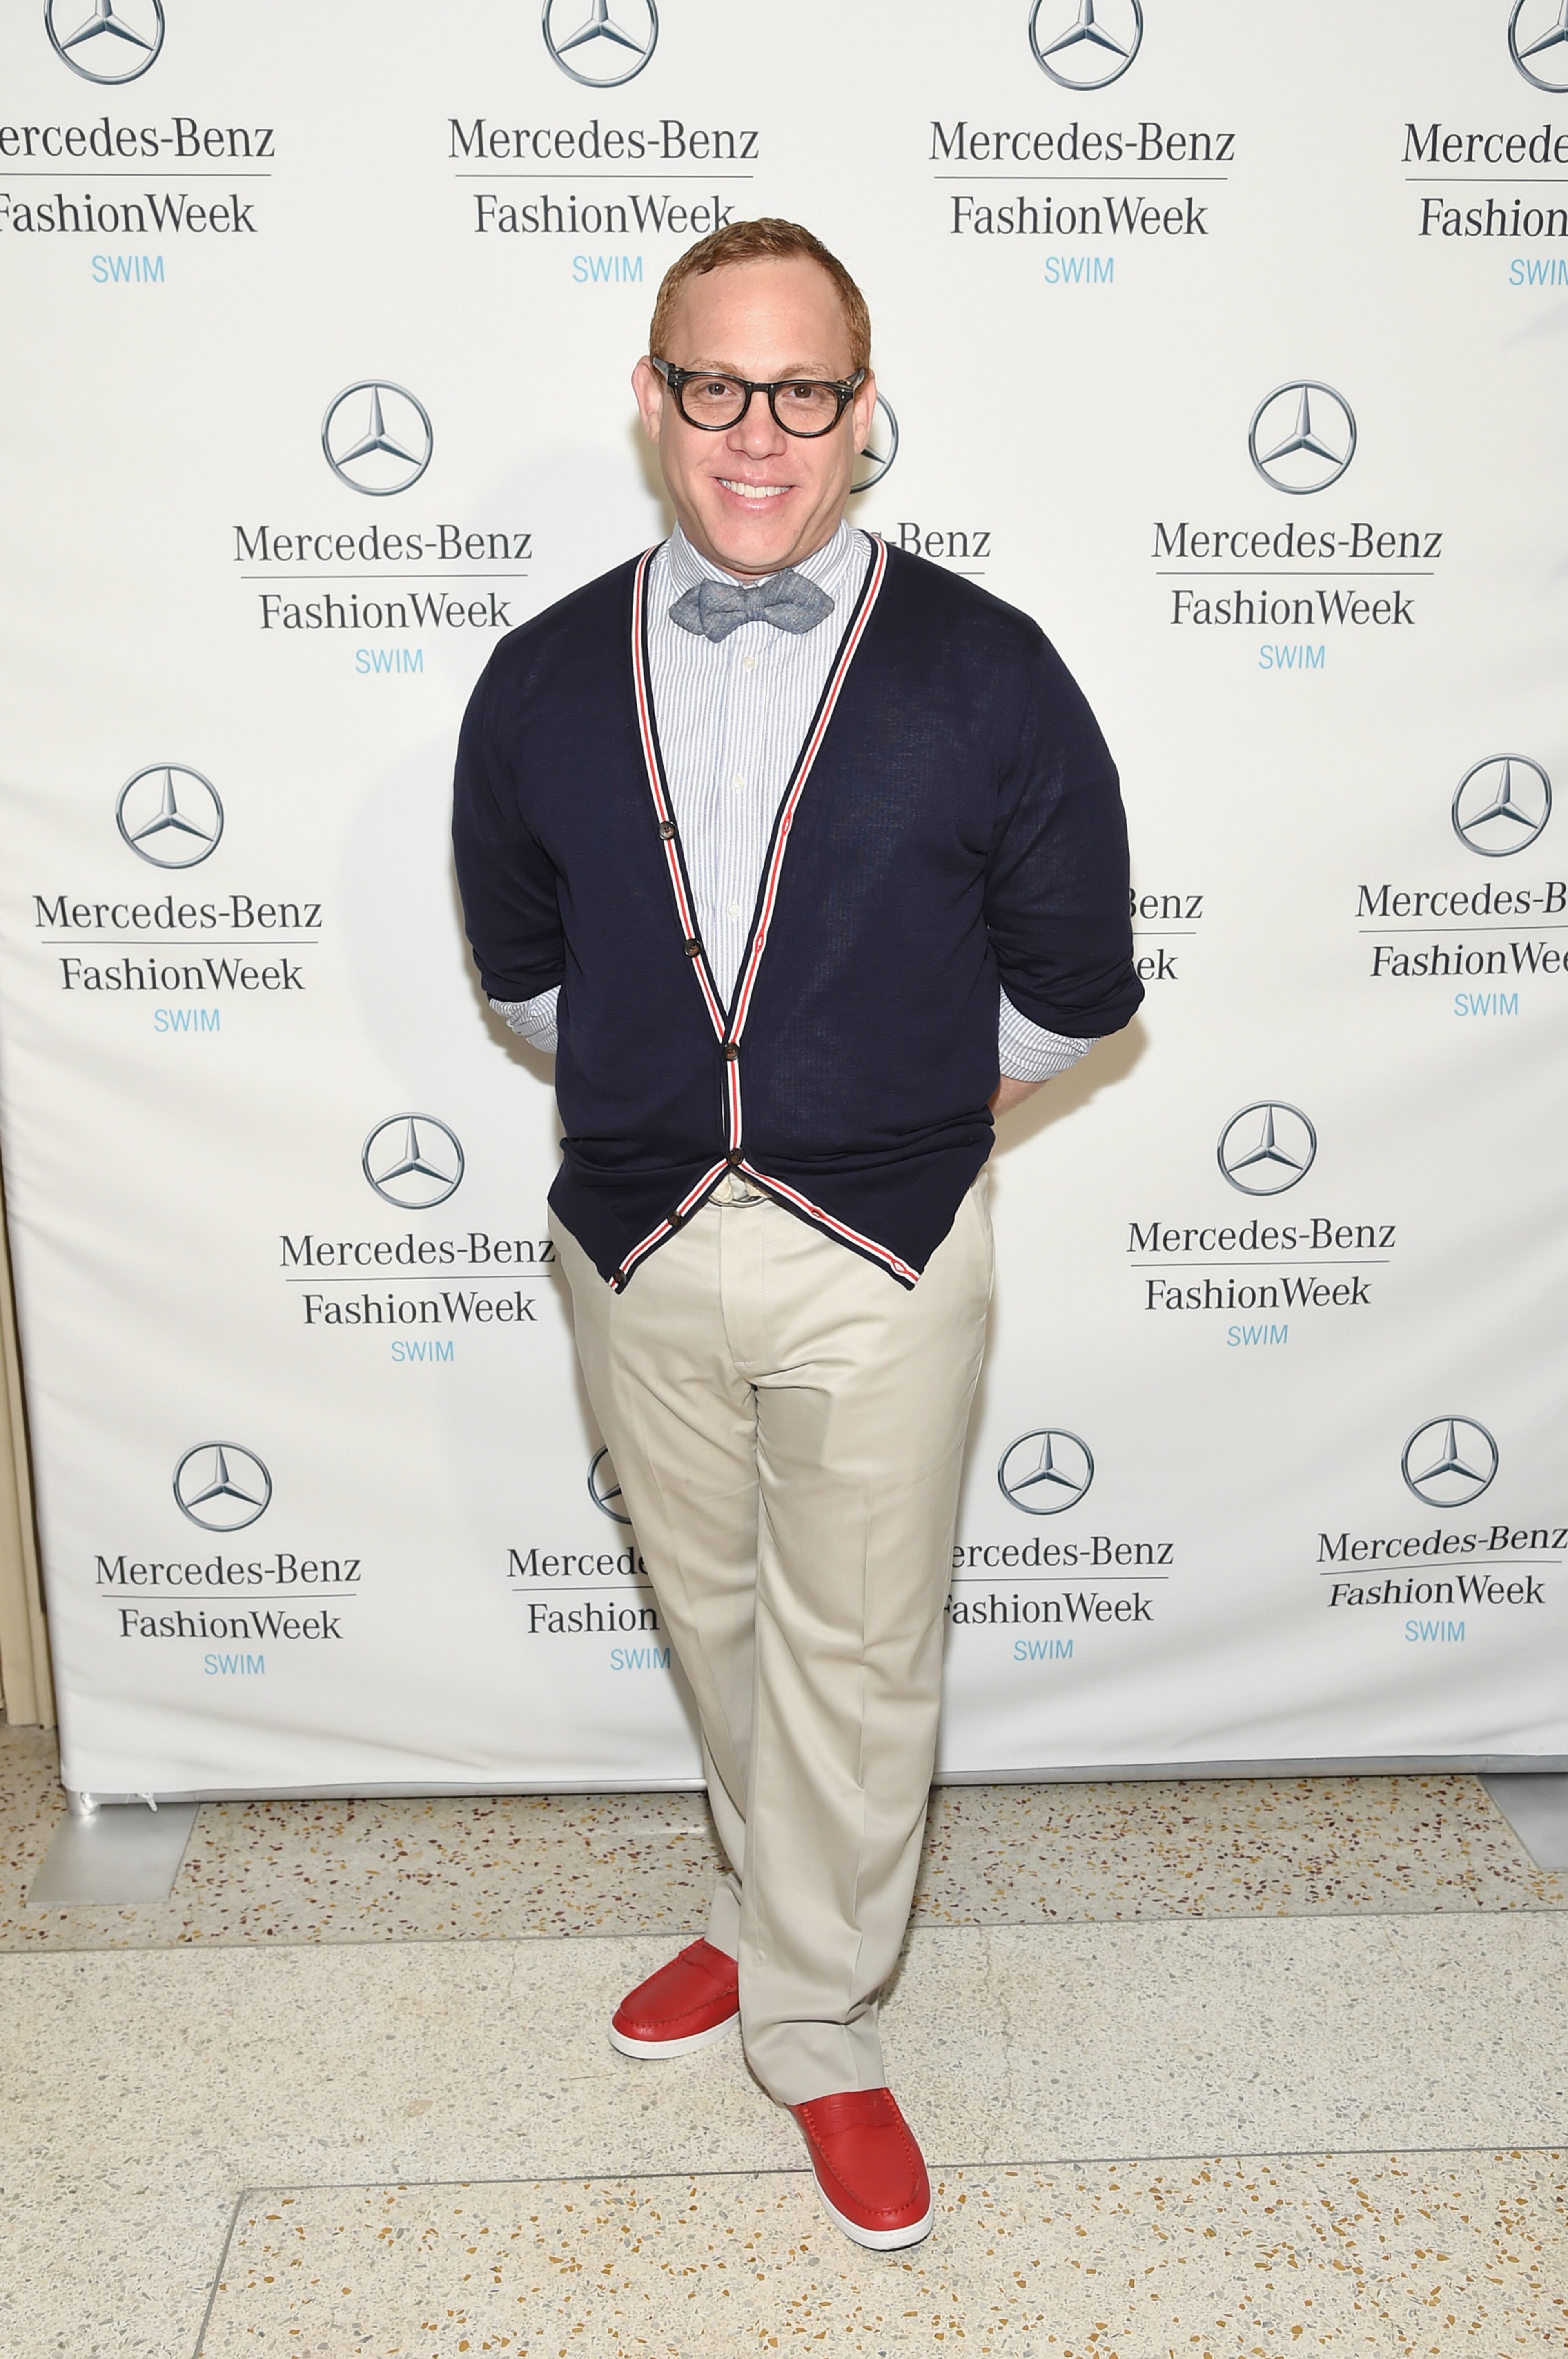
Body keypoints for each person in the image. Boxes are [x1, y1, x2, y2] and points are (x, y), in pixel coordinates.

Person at [452, 217, 1142, 2250]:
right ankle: (771, 1907)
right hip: (637, 1235)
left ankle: (820, 2018)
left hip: (886, 1247)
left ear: (864, 408)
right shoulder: (538, 672)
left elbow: (1077, 985)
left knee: (856, 1643)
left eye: (805, 389)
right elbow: (525, 977)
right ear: (655, 401)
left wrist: (888, 1107)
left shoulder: (990, 669)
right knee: (722, 1617)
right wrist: (699, 1107)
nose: (761, 433)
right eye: (717, 385)